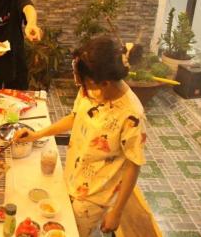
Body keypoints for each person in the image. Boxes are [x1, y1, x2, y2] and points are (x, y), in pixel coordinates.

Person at [15, 37, 146, 237]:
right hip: (72, 177)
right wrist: (36, 135)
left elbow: (134, 164)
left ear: (105, 82)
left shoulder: (131, 113)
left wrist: (116, 212)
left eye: (87, 83)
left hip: (95, 197)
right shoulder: (91, 90)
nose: (82, 88)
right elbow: (75, 117)